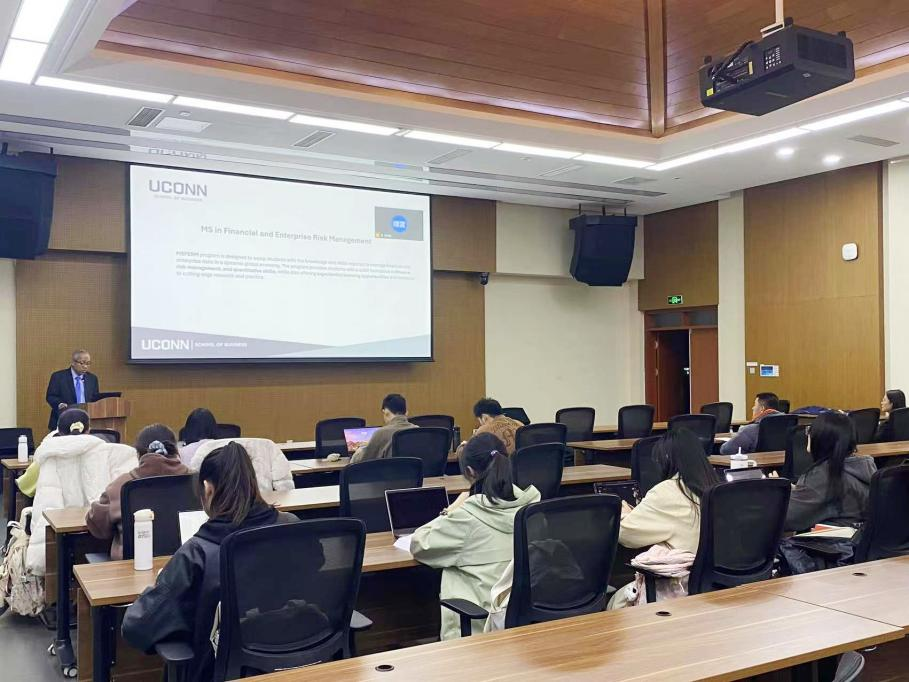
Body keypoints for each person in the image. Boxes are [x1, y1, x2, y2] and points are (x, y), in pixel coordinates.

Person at [122, 442, 298, 682]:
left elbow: (137, 626)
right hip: (298, 666)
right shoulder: (292, 528)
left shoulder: (197, 554)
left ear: (208, 489)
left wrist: (162, 584)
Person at [410, 433, 540, 640]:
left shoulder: (467, 518)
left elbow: (419, 545)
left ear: (470, 472)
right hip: (526, 626)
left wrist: (451, 509)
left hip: (479, 630)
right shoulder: (532, 509)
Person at [609, 429, 720, 608]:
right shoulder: (716, 487)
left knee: (615, 602)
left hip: (678, 588)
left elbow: (626, 535)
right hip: (713, 586)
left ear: (667, 459)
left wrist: (623, 513)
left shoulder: (668, 491)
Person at [24, 408, 137, 575]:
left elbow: (46, 502)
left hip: (65, 536)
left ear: (58, 431)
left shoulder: (50, 456)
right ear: (89, 429)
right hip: (102, 531)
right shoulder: (110, 451)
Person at [86, 424, 190, 560]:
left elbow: (99, 528)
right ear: (176, 449)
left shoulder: (120, 485)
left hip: (134, 567)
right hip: (187, 565)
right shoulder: (197, 480)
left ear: (138, 455)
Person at [785, 411, 876, 532]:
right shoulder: (866, 467)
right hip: (857, 539)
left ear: (819, 439)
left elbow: (786, 518)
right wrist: (799, 491)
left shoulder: (825, 475)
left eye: (810, 431)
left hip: (831, 542)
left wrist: (778, 493)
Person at [350, 393, 416, 464]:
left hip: (390, 471)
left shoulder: (381, 433)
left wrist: (360, 450)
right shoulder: (417, 430)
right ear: (406, 413)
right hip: (415, 471)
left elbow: (359, 462)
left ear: (386, 412)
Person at [44, 349, 100, 430]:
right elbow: (51, 396)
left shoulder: (92, 379)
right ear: (73, 363)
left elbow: (95, 399)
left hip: (86, 421)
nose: (85, 366)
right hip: (63, 420)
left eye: (88, 363)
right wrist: (60, 404)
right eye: (82, 363)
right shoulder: (58, 377)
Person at [455, 398, 523, 457]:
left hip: (502, 467)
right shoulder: (520, 424)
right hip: (524, 466)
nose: (480, 424)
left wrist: (463, 446)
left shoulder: (484, 430)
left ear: (485, 417)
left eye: (479, 420)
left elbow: (465, 453)